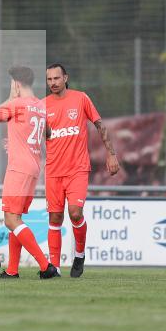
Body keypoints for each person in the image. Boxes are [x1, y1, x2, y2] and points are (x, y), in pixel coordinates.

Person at [44, 64, 120, 278]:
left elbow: (100, 125)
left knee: (75, 213)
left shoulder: (81, 99)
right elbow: (39, 135)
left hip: (77, 168)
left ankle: (79, 254)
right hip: (53, 171)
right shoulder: (43, 106)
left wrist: (111, 153)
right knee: (55, 217)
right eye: (49, 79)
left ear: (65, 78)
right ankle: (54, 267)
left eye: (56, 78)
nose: (53, 83)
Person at [0, 66, 58, 279]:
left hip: (19, 167)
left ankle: (46, 266)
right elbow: (49, 133)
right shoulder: (40, 105)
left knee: (10, 220)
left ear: (15, 83)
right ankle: (12, 270)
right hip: (34, 166)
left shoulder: (17, 104)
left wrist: (9, 97)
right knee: (16, 218)